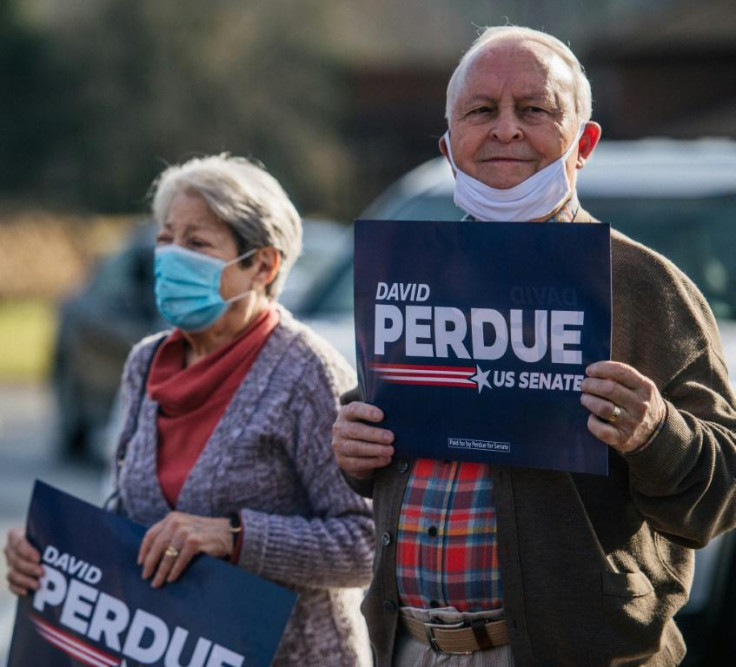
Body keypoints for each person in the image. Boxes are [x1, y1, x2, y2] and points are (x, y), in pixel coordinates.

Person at [332, 25, 736, 666]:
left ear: (585, 142)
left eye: (536, 109)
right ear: (448, 144)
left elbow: (724, 492)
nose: (506, 130)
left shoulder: (640, 285)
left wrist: (656, 433)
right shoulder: (410, 274)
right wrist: (356, 449)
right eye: (482, 111)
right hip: (411, 648)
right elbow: (401, 441)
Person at [5, 154, 374, 666]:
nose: (171, 256)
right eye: (165, 238)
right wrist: (54, 553)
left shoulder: (306, 371)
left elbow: (365, 544)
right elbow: (129, 520)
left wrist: (232, 536)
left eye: (196, 243)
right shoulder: (146, 361)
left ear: (262, 265)